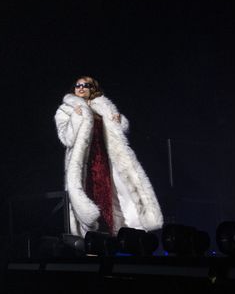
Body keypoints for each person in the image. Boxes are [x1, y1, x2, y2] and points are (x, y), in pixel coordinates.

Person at [55, 76, 162, 236]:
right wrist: (76, 117)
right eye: (78, 85)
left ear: (93, 88)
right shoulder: (65, 110)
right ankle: (90, 240)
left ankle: (114, 237)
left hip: (105, 162)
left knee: (111, 199)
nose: (81, 88)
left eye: (86, 85)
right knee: (87, 202)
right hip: (82, 164)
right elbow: (67, 139)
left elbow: (118, 134)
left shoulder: (103, 107)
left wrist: (119, 121)